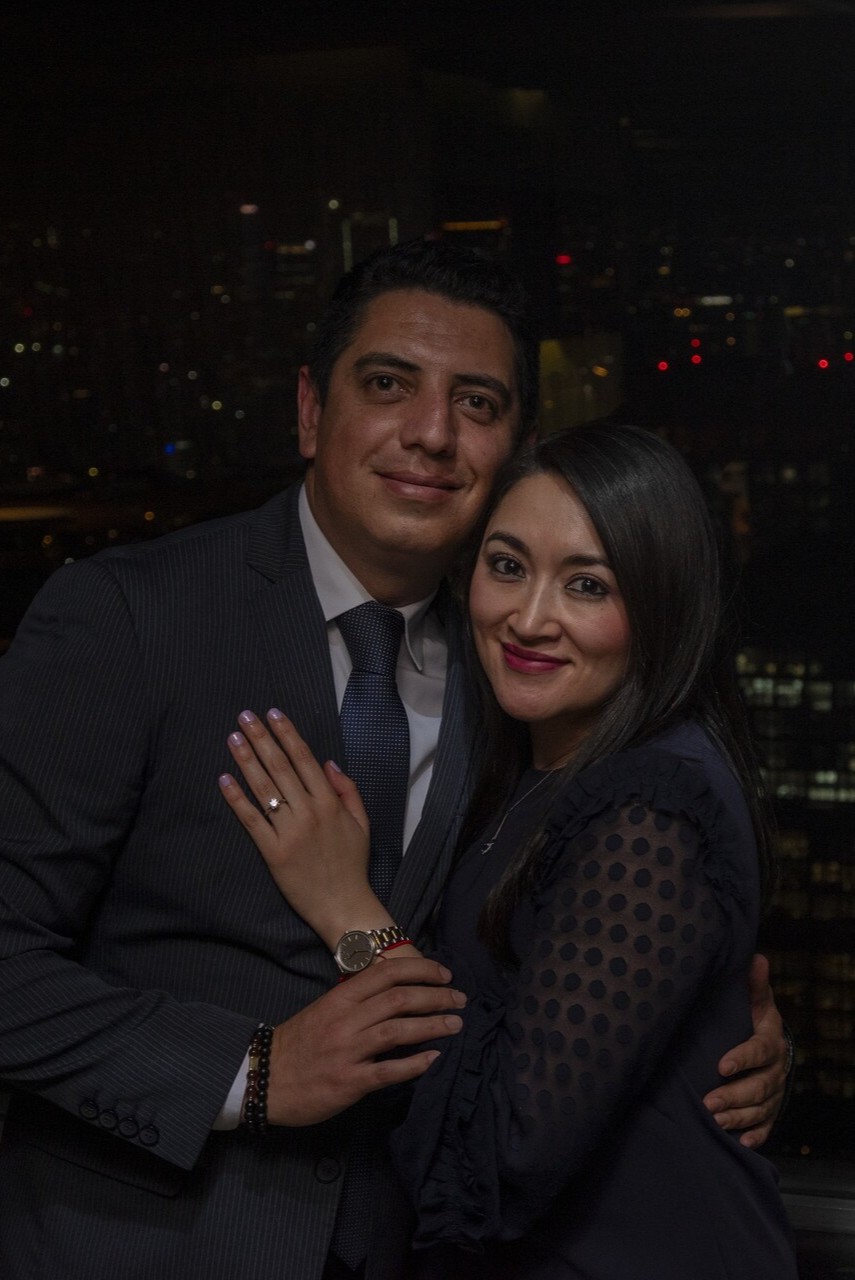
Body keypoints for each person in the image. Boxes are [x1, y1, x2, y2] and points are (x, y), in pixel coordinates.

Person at [0, 242, 788, 1280]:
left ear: (515, 447)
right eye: (387, 384)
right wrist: (251, 1072)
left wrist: (697, 1028)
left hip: (408, 1247)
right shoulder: (130, 617)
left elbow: (568, 932)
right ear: (309, 409)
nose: (431, 432)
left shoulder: (521, 666)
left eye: (476, 402)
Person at [219, 422, 798, 1278]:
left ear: (662, 604)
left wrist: (347, 911)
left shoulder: (650, 808)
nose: (528, 619)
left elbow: (505, 1148)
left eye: (587, 585)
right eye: (507, 566)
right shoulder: (529, 762)